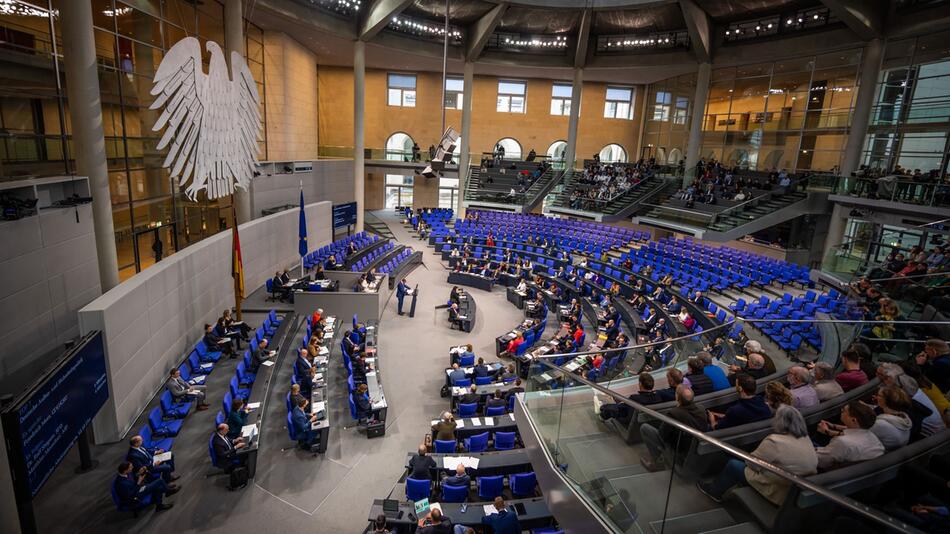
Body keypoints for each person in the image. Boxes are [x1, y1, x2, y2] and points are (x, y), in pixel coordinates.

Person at [698, 405, 817, 504]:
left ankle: (714, 491)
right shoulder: (806, 438)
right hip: (795, 488)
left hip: (777, 488)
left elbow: (751, 463)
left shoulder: (775, 441)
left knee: (733, 465)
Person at [640, 385, 709, 471]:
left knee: (645, 427)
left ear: (677, 398)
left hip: (680, 451)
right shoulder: (702, 409)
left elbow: (662, 435)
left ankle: (657, 462)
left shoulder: (674, 413)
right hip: (696, 448)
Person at [815, 401, 885, 470]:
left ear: (853, 420)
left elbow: (819, 460)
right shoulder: (872, 436)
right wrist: (831, 428)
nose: (841, 411)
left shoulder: (842, 442)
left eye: (844, 410)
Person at [870, 385, 913, 450]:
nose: (876, 397)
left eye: (878, 395)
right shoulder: (904, 417)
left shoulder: (880, 424)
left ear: (884, 400)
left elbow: (860, 434)